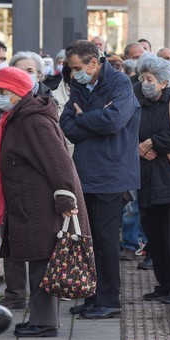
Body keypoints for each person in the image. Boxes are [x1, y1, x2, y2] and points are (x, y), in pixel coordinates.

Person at [0, 66, 88, 338]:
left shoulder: (33, 122)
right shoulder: (18, 118)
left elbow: (59, 163)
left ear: (17, 93)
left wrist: (65, 198)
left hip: (41, 206)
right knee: (39, 263)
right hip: (29, 204)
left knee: (43, 264)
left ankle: (45, 323)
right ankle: (41, 319)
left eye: (3, 92)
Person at [60, 39, 141, 320]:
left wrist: (85, 118)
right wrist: (94, 120)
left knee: (106, 241)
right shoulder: (80, 86)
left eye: (76, 68)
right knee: (88, 239)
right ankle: (92, 296)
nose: (73, 74)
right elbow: (67, 124)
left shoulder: (119, 83)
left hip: (111, 174)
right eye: (71, 69)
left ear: (93, 63)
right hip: (85, 172)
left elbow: (114, 121)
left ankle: (109, 300)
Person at [0, 50, 53, 309]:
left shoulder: (42, 107)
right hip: (8, 182)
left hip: (33, 189)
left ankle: (42, 304)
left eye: (30, 71)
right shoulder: (3, 104)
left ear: (39, 75)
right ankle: (15, 294)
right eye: (20, 70)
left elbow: (54, 155)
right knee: (10, 238)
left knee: (36, 244)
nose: (24, 75)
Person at [134, 55, 170, 303]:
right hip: (146, 178)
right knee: (155, 237)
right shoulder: (140, 102)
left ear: (163, 82)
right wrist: (139, 148)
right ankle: (165, 284)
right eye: (143, 78)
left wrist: (152, 143)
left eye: (150, 79)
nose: (145, 83)